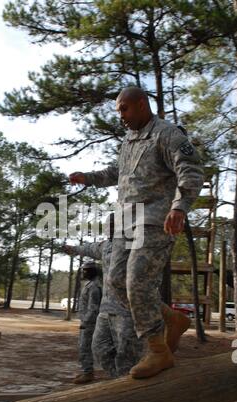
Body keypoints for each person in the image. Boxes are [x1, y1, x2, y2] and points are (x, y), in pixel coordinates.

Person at [69, 86, 204, 379]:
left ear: (142, 104)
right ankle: (172, 319)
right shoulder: (128, 141)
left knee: (136, 281)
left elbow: (191, 170)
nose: (121, 117)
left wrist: (179, 207)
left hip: (155, 221)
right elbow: (116, 174)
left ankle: (158, 350)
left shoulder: (167, 134)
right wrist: (87, 178)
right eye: (118, 111)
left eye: (124, 109)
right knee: (117, 281)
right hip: (124, 224)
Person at [63, 214, 143, 378]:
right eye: (109, 225)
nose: (111, 227)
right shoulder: (104, 246)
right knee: (99, 348)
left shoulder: (133, 244)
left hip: (127, 309)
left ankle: (127, 387)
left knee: (127, 353)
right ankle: (118, 381)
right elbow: (87, 248)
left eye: (115, 224)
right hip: (105, 309)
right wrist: (72, 249)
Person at [73, 261, 102, 384]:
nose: (83, 273)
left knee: (85, 347)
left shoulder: (94, 287)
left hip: (90, 323)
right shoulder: (90, 284)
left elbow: (93, 307)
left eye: (86, 270)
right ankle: (87, 371)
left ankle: (88, 373)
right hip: (88, 322)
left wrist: (85, 322)